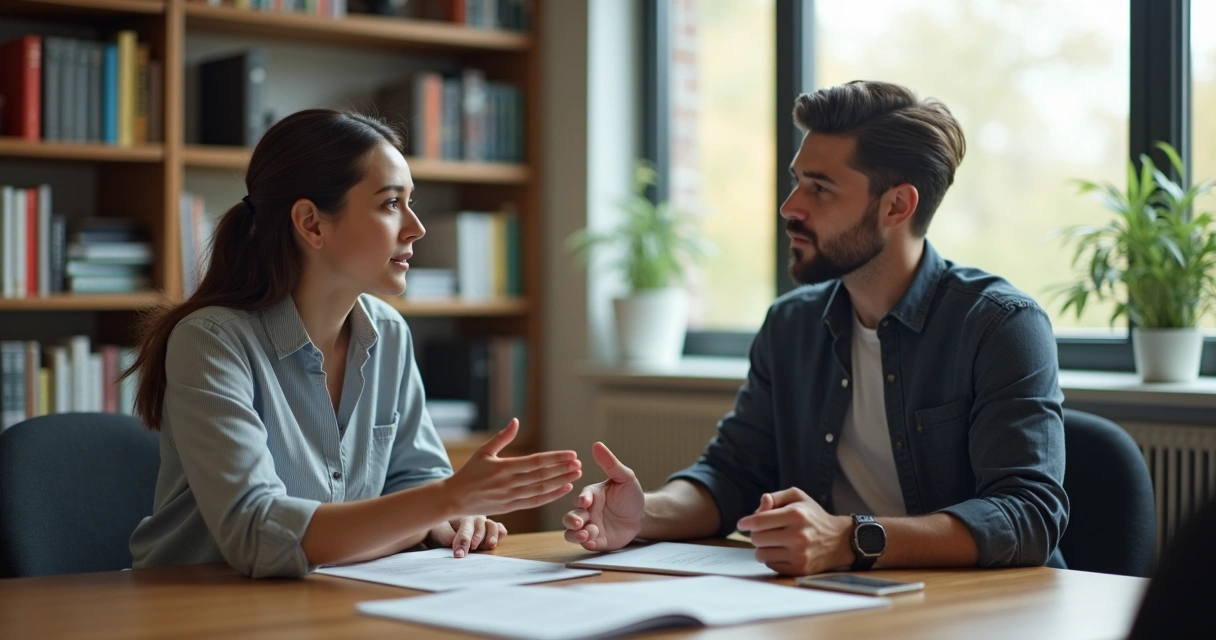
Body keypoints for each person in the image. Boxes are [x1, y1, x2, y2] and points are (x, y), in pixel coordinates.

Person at [564, 81, 1068, 575]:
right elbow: (731, 475)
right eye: (797, 181)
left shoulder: (1000, 326)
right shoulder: (791, 325)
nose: (790, 208)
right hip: (832, 604)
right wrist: (644, 512)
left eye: (820, 188)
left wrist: (851, 539)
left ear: (897, 206)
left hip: (980, 614)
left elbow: (1028, 515)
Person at [127, 109, 581, 578]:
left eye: (411, 202)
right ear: (311, 223)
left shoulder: (390, 334)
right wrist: (444, 503)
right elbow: (258, 537)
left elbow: (417, 480)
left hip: (325, 600)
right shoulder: (211, 341)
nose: (416, 227)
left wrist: (451, 513)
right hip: (192, 606)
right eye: (390, 204)